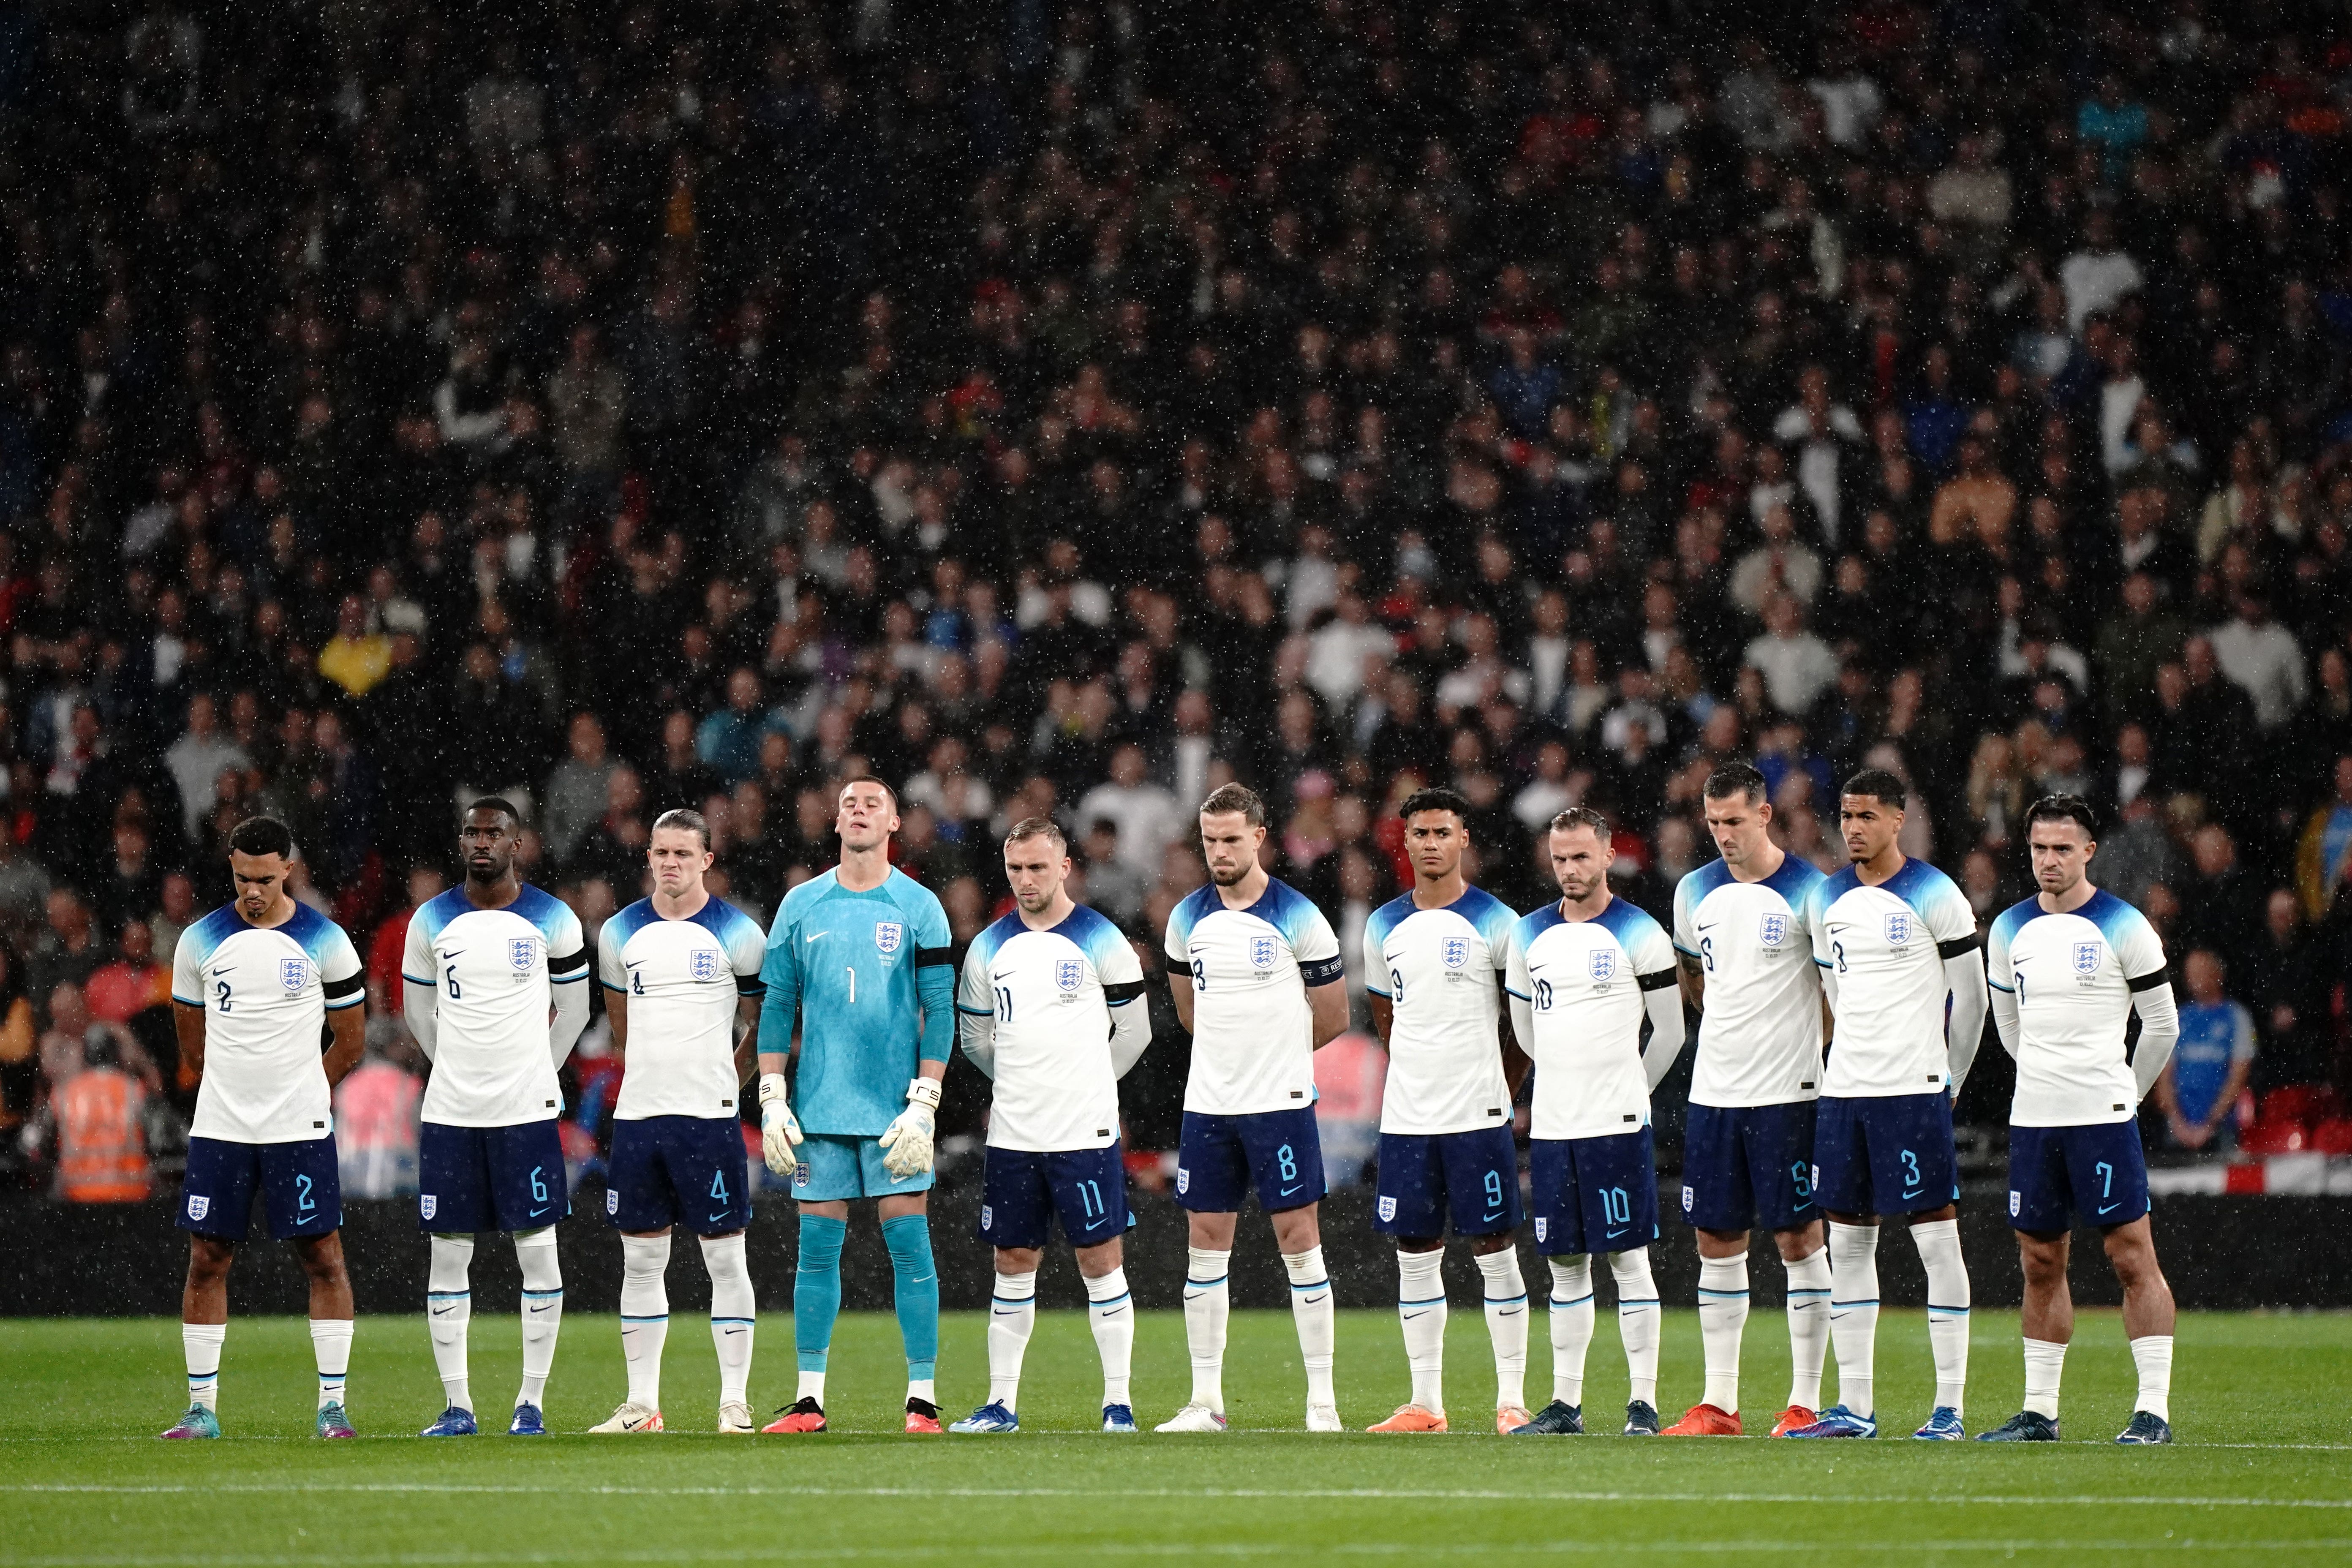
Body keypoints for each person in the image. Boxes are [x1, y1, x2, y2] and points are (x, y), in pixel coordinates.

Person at [1783, 769, 1987, 1441]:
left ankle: (1950, 1408)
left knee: (1936, 1240)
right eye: (1846, 815)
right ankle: (1856, 1408)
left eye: (1867, 816)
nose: (1853, 828)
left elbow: (1973, 998)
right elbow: (1833, 995)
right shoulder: (1826, 898)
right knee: (1849, 1243)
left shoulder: (1935, 892)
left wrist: (1949, 1077)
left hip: (1913, 1090)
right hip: (1846, 1093)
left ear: (1898, 820)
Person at [754, 777, 955, 1435]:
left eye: (873, 802)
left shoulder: (919, 905)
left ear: (895, 821)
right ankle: (809, 1400)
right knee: (816, 1250)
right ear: (836, 823)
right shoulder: (801, 905)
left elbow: (941, 1009)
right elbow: (778, 1004)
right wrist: (773, 1093)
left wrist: (925, 1100)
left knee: (909, 1245)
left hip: (894, 1111)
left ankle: (921, 1401)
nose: (860, 810)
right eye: (849, 803)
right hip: (819, 1109)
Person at [1980, 795, 2181, 1445]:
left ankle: (2152, 1412)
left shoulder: (2125, 926)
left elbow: (2162, 1025)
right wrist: (2047, 1076)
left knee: (2131, 1258)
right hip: (2036, 1119)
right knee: (2040, 1261)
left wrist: (2124, 1088)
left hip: (2103, 1117)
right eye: (2039, 848)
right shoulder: (2009, 930)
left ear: (2089, 852)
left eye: (2062, 849)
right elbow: (2009, 1027)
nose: (2049, 860)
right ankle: (2040, 1413)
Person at [161, 816, 367, 1440]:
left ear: (288, 870)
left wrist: (301, 1089)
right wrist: (240, 1086)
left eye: (265, 879)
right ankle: (202, 1409)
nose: (253, 891)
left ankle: (332, 1406)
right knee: (207, 1258)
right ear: (231, 868)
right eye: (243, 878)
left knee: (322, 1255)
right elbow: (191, 1048)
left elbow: (351, 1042)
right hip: (222, 1126)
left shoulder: (325, 940)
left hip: (298, 1127)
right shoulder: (198, 941)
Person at [947, 817, 1152, 1434]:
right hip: (1014, 1134)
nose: (1027, 879)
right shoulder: (990, 946)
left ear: (1065, 867)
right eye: (1016, 869)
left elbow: (1135, 1033)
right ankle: (1001, 1404)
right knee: (1012, 1260)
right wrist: (1019, 1084)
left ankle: (1118, 1403)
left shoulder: (1101, 938)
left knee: (1100, 1258)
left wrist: (1089, 1084)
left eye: (1038, 867)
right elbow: (976, 1040)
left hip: (1084, 1133)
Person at [1157, 782, 1349, 1434]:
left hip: (1280, 1105)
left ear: (1260, 836)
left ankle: (1322, 1403)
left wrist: (1274, 1059)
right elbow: (1190, 1013)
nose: (1219, 852)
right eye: (1210, 841)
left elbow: (1334, 1016)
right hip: (1209, 1106)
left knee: (1301, 1244)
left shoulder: (1299, 915)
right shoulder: (1186, 918)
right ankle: (1205, 1403)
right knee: (1205, 1249)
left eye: (1232, 839)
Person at [402, 798, 593, 1438]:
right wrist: (459, 1065)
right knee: (448, 1258)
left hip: (526, 1114)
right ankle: (458, 1406)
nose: (482, 842)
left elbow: (573, 1009)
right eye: (473, 833)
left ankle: (530, 1403)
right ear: (461, 842)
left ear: (519, 844)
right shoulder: (431, 920)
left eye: (495, 834)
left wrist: (534, 1070)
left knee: (538, 1256)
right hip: (453, 1112)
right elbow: (417, 1013)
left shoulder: (554, 918)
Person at [1503, 806, 1683, 1437]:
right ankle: (1566, 1404)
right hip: (1554, 1128)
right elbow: (1526, 1031)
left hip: (1615, 1124)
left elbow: (1670, 1031)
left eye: (1582, 857)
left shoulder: (1640, 932)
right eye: (1560, 859)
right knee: (1565, 1266)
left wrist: (1632, 1090)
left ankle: (1642, 1404)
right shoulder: (1527, 936)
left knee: (1628, 1260)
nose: (1570, 870)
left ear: (1608, 855)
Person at [1666, 762, 1833, 1438]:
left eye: (1735, 821)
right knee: (1716, 1238)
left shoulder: (1811, 890)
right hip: (1715, 1091)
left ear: (1766, 815)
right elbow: (1694, 979)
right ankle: (1720, 1403)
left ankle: (1806, 1401)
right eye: (1713, 823)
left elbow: (1832, 994)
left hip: (1789, 1093)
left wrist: (1805, 1054)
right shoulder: (1692, 891)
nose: (1724, 835)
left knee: (1798, 1237)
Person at [590, 808, 768, 1436]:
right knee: (641, 1263)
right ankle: (642, 1405)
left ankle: (734, 1402)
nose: (670, 863)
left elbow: (762, 1021)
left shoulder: (739, 934)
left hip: (708, 1121)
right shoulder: (618, 933)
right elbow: (620, 1022)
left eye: (683, 855)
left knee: (726, 1262)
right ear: (649, 857)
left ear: (707, 861)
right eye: (661, 852)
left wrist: (728, 1080)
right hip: (640, 1118)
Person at [1360, 786, 1527, 1435]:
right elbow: (1386, 1017)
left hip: (1477, 1114)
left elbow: (1520, 1026)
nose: (1431, 844)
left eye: (1442, 833)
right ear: (1405, 843)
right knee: (1416, 1250)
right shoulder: (1383, 925)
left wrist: (1500, 1089)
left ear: (1464, 841)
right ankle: (1425, 1402)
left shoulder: (1500, 922)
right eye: (1420, 834)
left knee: (1495, 1249)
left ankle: (1511, 1401)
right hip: (1408, 1117)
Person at [2159, 950, 2255, 1152]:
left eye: (2201, 970)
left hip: (2222, 1129)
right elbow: (2164, 1075)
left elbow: (2239, 1076)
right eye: (2191, 972)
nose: (2195, 978)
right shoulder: (2179, 1017)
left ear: (2218, 974)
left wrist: (2211, 1123)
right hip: (2178, 1130)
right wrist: (2177, 1122)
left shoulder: (2237, 1017)